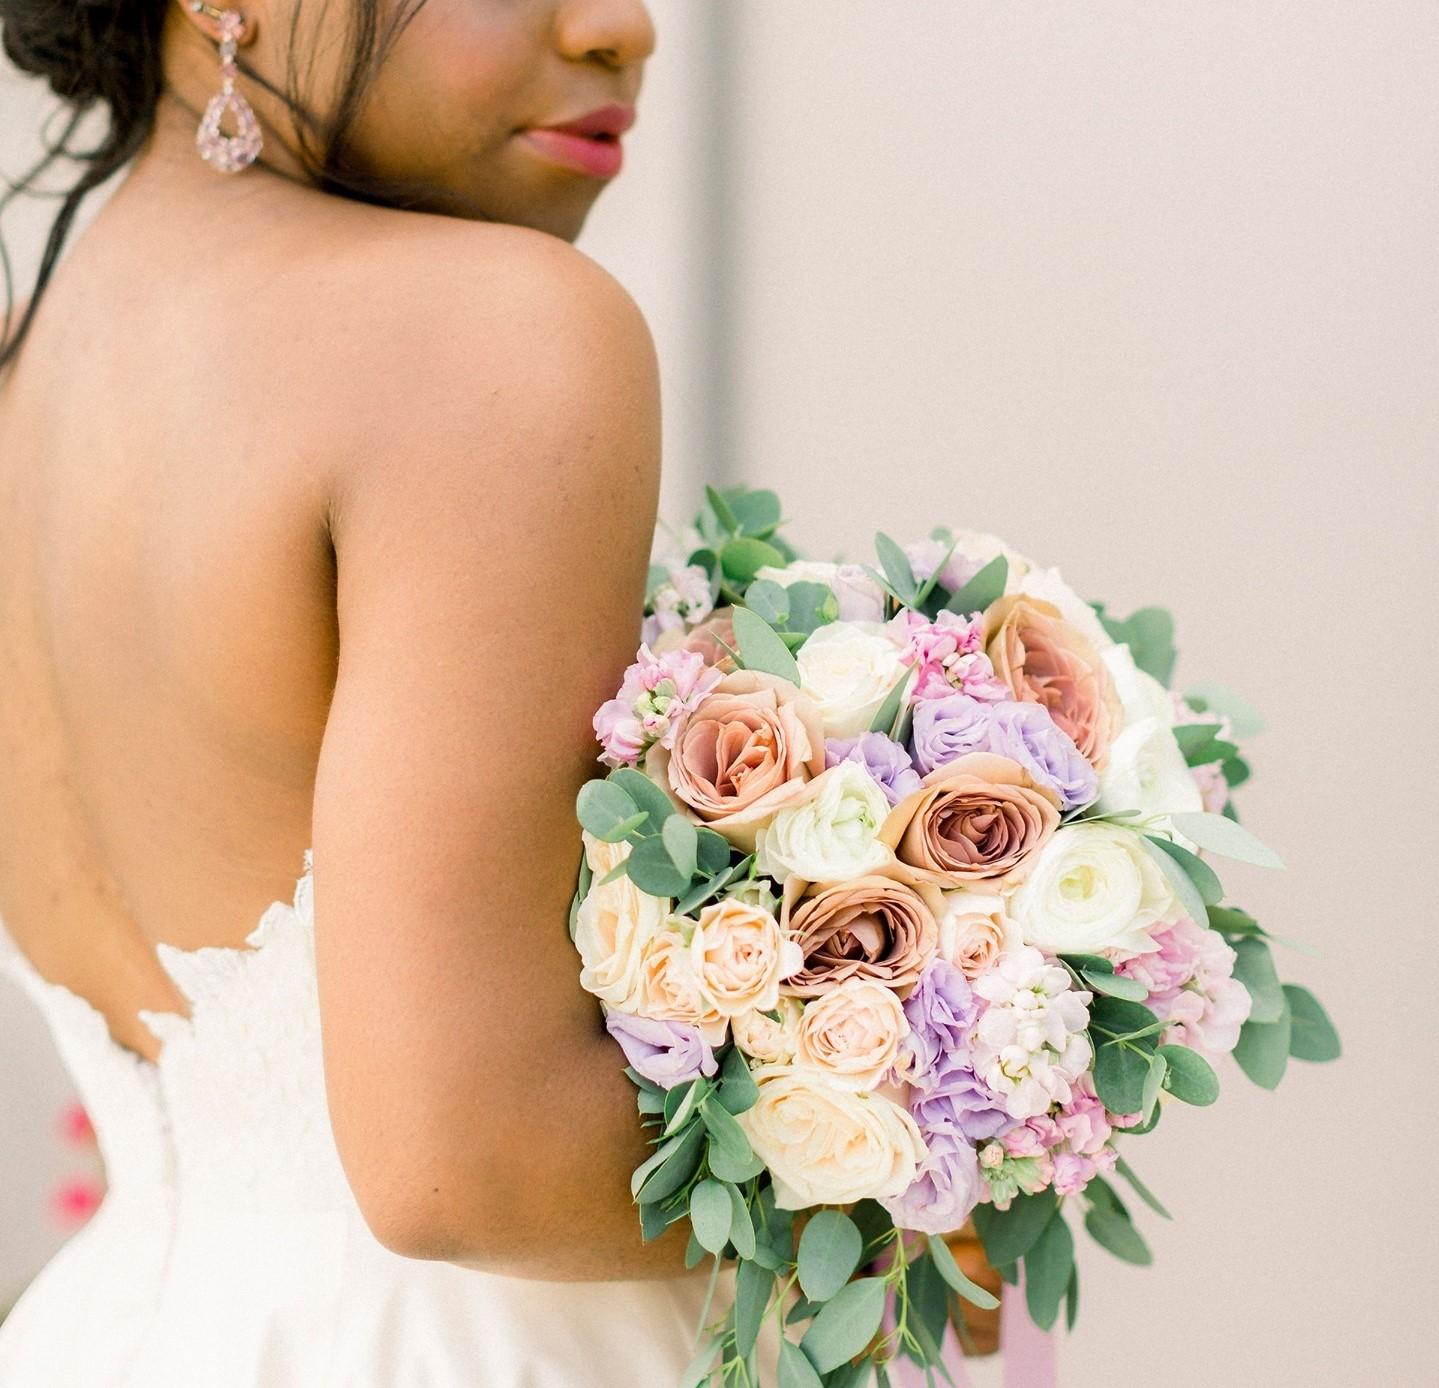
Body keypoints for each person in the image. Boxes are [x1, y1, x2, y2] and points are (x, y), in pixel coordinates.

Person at [0, 2, 1003, 1382]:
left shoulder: (29, 361)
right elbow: (464, 1166)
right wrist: (939, 1156)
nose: (621, 26)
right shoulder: (487, 331)